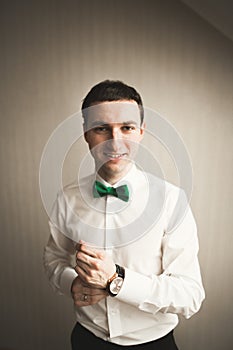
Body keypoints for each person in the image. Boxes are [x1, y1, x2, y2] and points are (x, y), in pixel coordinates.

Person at [43, 80, 205, 350]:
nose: (115, 141)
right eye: (101, 128)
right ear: (85, 133)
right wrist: (71, 283)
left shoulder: (171, 201)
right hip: (86, 339)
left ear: (141, 132)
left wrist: (116, 280)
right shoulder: (67, 199)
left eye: (126, 128)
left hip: (154, 343)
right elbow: (53, 258)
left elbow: (190, 296)